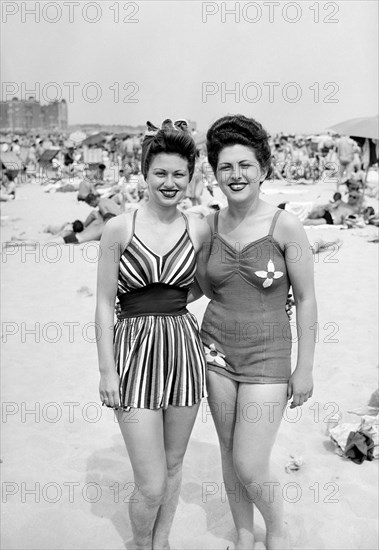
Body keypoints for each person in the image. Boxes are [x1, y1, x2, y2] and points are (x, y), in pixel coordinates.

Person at [194, 115, 317, 550]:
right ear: (215, 173)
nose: (236, 175)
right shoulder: (208, 226)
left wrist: (304, 369)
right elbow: (197, 287)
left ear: (262, 168)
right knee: (228, 452)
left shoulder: (285, 226)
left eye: (245, 165)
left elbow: (305, 300)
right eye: (226, 166)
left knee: (250, 461)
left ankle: (276, 532)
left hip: (269, 356)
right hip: (215, 351)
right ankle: (244, 535)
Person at [95, 119, 210, 550]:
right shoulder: (118, 229)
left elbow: (206, 284)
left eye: (179, 173)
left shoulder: (198, 228)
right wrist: (107, 372)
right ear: (144, 174)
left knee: (176, 463)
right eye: (160, 172)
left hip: (183, 350)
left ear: (191, 176)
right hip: (132, 355)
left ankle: (161, 542)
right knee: (151, 483)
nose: (169, 182)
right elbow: (105, 302)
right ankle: (141, 544)